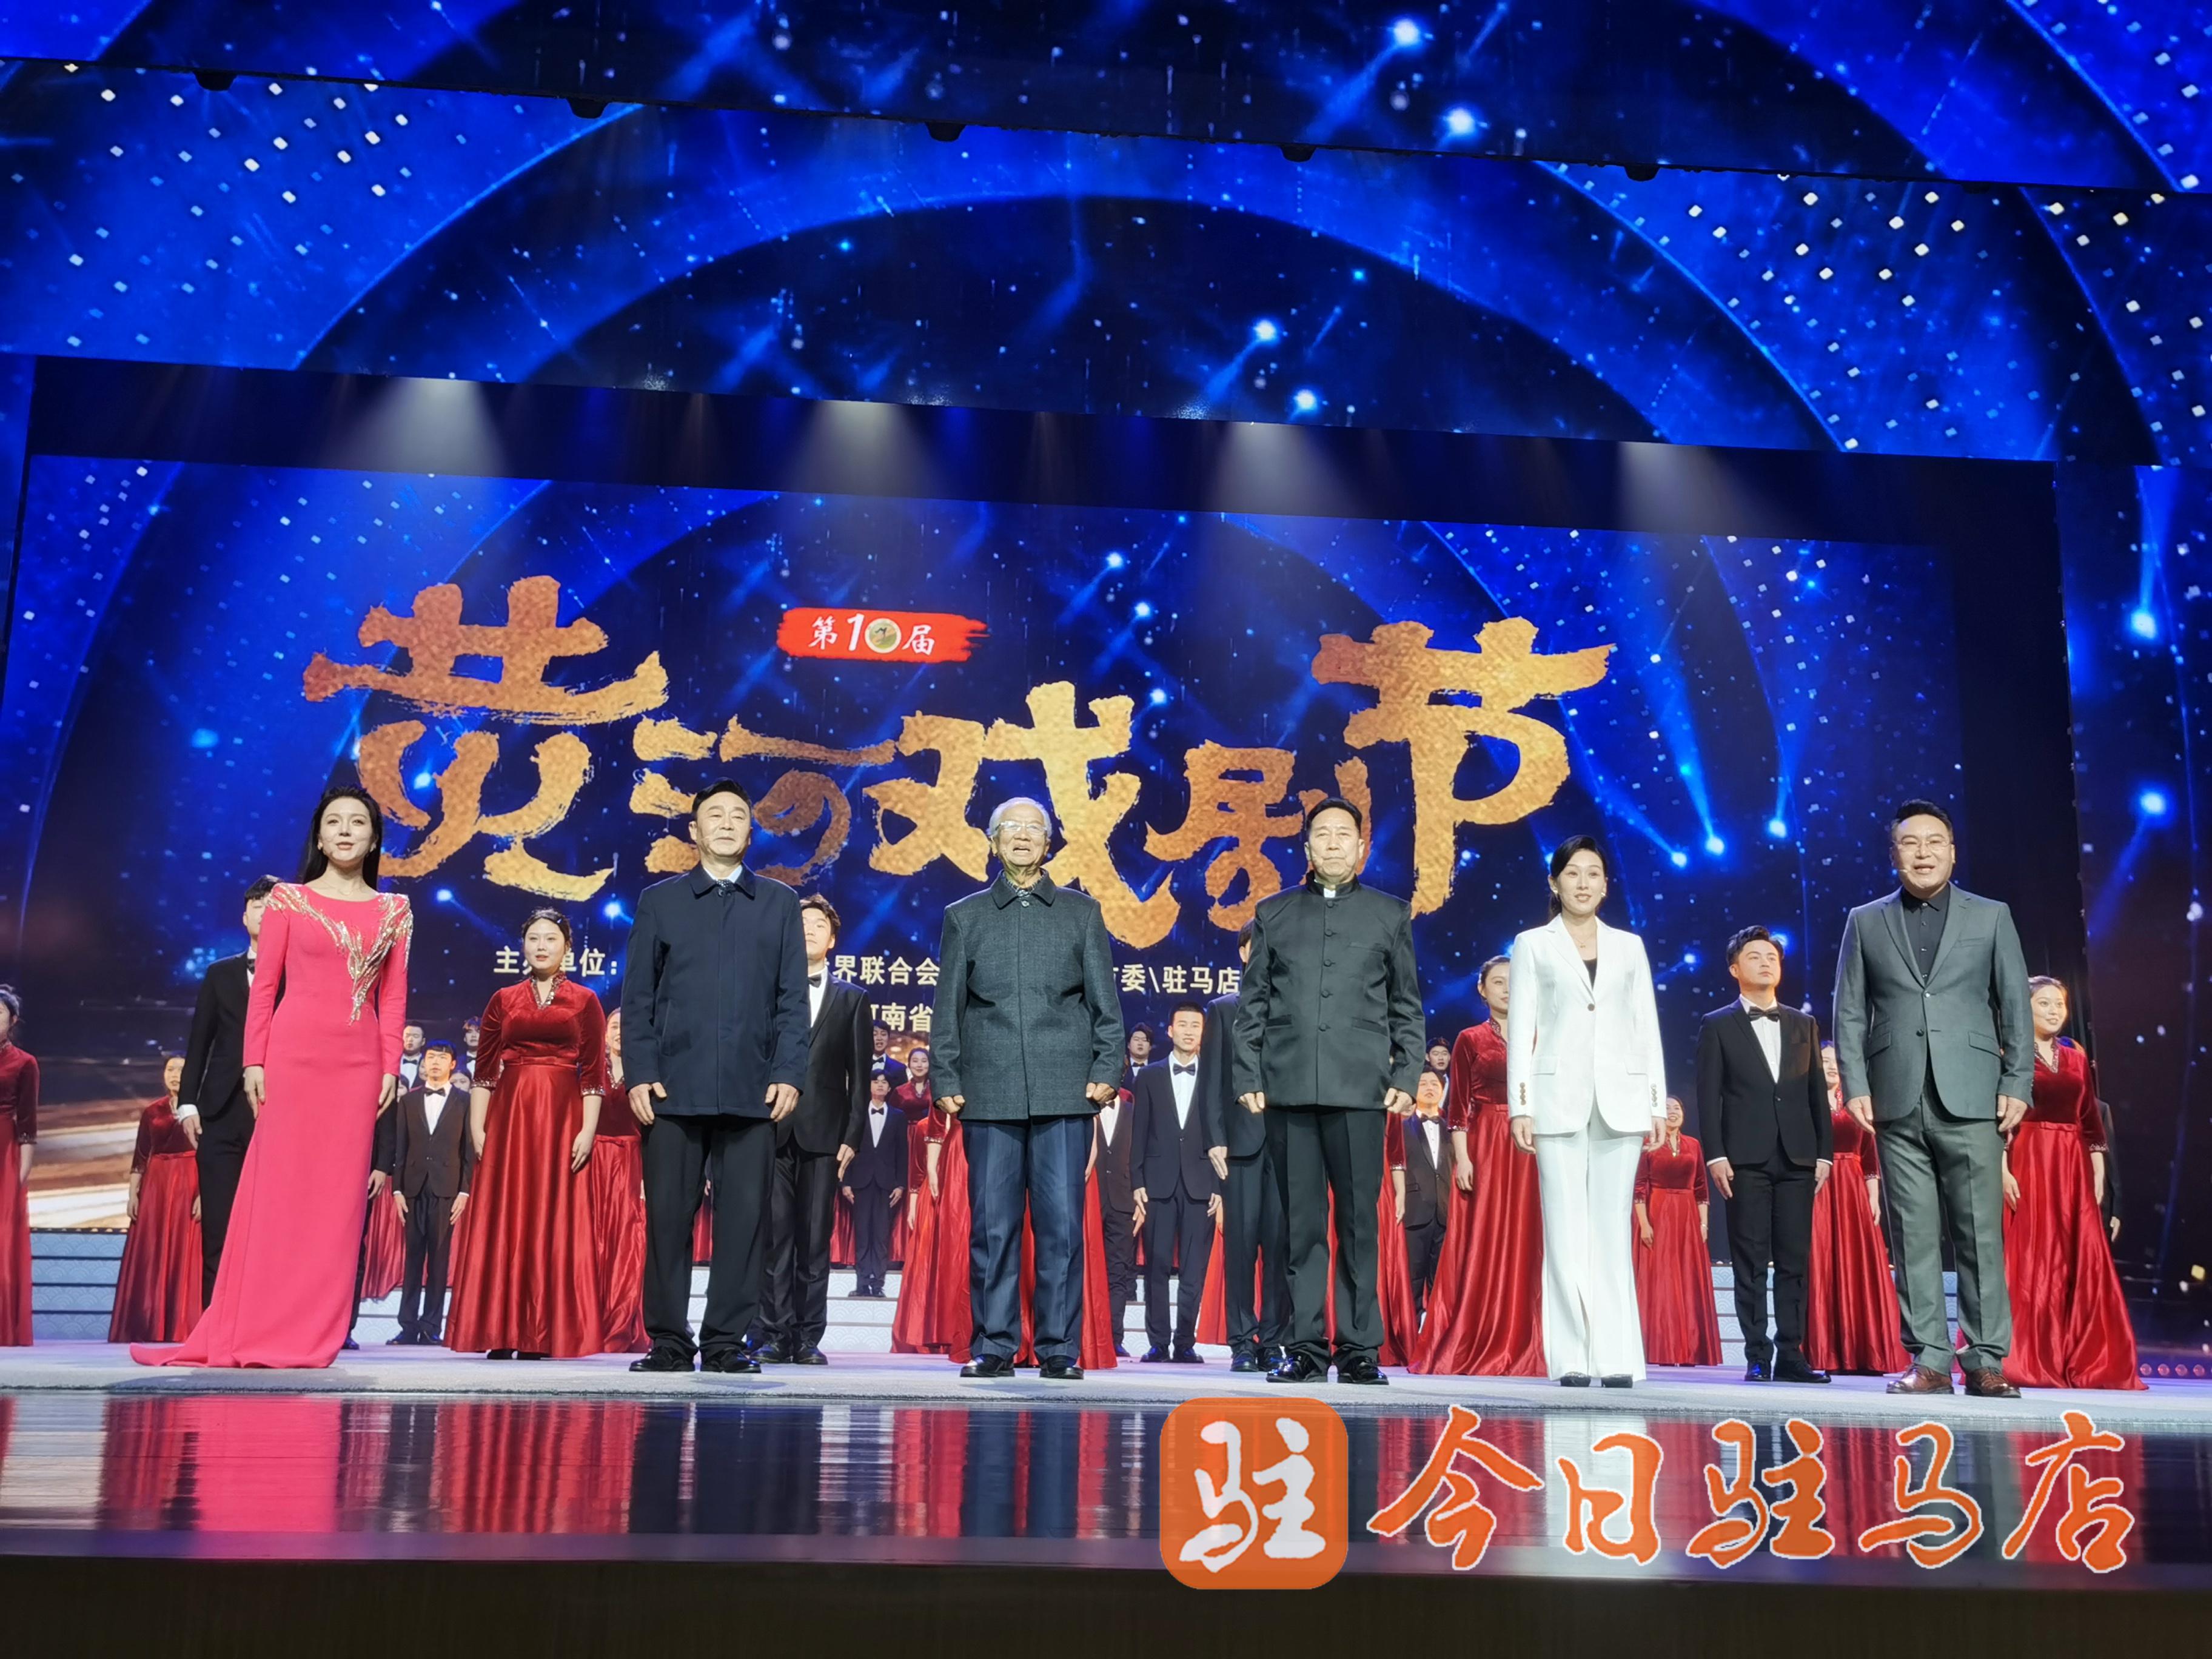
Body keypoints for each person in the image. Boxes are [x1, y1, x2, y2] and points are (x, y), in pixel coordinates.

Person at [135, 786, 411, 1369]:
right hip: (292, 1057)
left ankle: (315, 1332)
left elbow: (394, 997)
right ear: (319, 837)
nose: (344, 831)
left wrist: (391, 1065)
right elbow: (265, 988)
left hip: (359, 1064)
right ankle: (257, 1323)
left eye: (357, 823)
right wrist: (254, 1061)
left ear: (374, 838)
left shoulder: (395, 911)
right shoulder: (289, 899)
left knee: (337, 1204)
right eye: (333, 822)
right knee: (280, 1193)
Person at [1834, 799, 2032, 1398]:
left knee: (1979, 1235)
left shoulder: (1991, 916)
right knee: (1913, 1235)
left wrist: (2016, 1082)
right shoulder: (1865, 920)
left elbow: (2015, 1005)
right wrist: (1855, 1084)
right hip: (1895, 1096)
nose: (1923, 853)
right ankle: (1929, 1360)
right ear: (1893, 854)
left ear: (1952, 851)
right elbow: (1849, 1010)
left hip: (1973, 1094)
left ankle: (1987, 1359)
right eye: (1910, 843)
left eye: (1934, 842)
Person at [620, 779, 810, 1375]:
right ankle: (669, 1341)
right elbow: (638, 996)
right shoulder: (661, 901)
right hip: (673, 1089)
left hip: (755, 1091)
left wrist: (789, 1072)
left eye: (737, 816)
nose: (726, 824)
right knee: (668, 1219)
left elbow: (792, 1000)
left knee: (744, 1222)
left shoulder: (779, 903)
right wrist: (640, 1073)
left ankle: (727, 1342)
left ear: (751, 832)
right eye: (715, 815)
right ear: (694, 830)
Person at [931, 796, 1124, 1381]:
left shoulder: (1081, 913)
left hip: (1066, 1091)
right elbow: (947, 1007)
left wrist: (1107, 1068)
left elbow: (1106, 1005)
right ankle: (994, 1344)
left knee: (1062, 1226)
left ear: (1049, 843)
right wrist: (946, 1075)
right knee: (993, 1227)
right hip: (988, 1091)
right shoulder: (965, 916)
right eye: (1010, 828)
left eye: (1033, 829)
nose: (1021, 836)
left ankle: (1059, 1347)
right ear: (992, 842)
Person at [1235, 796, 1424, 1386]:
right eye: (1323, 834)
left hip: (1361, 1090)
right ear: (1308, 847)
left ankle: (1360, 1348)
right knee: (1301, 1227)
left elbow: (1406, 1006)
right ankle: (1306, 1348)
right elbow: (1253, 1005)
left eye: (1345, 834)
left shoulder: (1390, 915)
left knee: (1360, 1224)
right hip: (1289, 1087)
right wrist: (1248, 1075)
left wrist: (1406, 1075)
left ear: (1362, 847)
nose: (1334, 843)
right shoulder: (1274, 913)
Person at [1507, 835, 1667, 1388]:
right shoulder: (1533, 944)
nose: (1583, 883)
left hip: (1621, 1098)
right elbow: (1521, 1027)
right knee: (1565, 1229)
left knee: (1611, 1228)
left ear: (1605, 885)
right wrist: (1521, 1105)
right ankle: (1573, 1357)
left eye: (1593, 873)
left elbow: (1645, 1025)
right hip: (1556, 1099)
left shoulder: (1629, 946)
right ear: (1555, 883)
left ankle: (1617, 1356)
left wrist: (1655, 1102)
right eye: (1572, 873)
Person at [446, 910, 608, 1359]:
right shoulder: (504, 999)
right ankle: (500, 1330)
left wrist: (588, 1130)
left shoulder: (585, 1000)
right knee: (506, 1216)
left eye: (550, 939)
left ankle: (541, 1333)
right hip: (510, 1115)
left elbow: (594, 1075)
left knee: (551, 1216)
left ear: (567, 947)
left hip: (562, 1116)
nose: (541, 946)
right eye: (533, 938)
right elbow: (484, 1073)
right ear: (523, 946)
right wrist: (478, 1127)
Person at [1698, 925, 1832, 1384]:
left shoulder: (1803, 1024)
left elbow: (1816, 1093)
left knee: (1795, 1260)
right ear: (1735, 969)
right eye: (1754, 957)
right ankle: (1757, 1354)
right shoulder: (1717, 1024)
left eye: (1772, 956)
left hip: (1798, 1157)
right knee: (1751, 1260)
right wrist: (1715, 1155)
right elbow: (1708, 1096)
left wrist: (1825, 1154)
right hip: (1744, 1159)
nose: (1765, 963)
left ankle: (1792, 1354)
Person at [1999, 979, 2142, 1389]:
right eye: (2043, 1003)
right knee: (2032, 1257)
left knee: (2077, 1258)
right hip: (2028, 1158)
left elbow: (2091, 1123)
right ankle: (2029, 1355)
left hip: (2073, 1164)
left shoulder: (2076, 1060)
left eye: (2059, 1004)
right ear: (2024, 1008)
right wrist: (2002, 1169)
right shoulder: (2009, 1056)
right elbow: (1997, 1119)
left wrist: (2097, 1173)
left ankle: (2080, 1356)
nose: (2053, 1011)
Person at [754, 894, 870, 1364]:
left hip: (825, 1135)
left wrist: (852, 1137)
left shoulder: (852, 999)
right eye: (802, 923)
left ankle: (807, 1337)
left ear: (833, 939)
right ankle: (773, 1334)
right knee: (774, 1237)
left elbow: (859, 1077)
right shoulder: (767, 991)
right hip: (771, 1128)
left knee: (814, 1237)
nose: (809, 930)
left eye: (819, 925)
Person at [1417, 955, 1545, 1377]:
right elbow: (1458, 1108)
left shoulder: (1541, 1036)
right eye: (1499, 982)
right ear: (1482, 990)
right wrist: (1464, 1157)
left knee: (1530, 1235)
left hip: (1535, 1143)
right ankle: (1478, 1330)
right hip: (1487, 1141)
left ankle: (1529, 1337)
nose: (1507, 989)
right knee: (1483, 1235)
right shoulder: (1470, 1039)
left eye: (1514, 982)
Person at [176, 874, 280, 1302]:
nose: (265, 913)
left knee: (270, 1227)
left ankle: (265, 1319)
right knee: (218, 1225)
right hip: (218, 1111)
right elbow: (199, 1040)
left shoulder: (301, 976)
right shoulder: (220, 973)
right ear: (244, 916)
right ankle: (214, 1321)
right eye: (258, 905)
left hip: (275, 1110)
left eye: (274, 906)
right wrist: (187, 1103)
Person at [1200, 924, 1285, 1373]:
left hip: (1288, 1144)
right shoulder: (1223, 1010)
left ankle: (1273, 1340)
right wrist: (1215, 1138)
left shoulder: (1294, 1009)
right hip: (1240, 1145)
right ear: (1244, 952)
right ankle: (1241, 1341)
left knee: (1281, 1247)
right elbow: (1211, 1081)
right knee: (1241, 1246)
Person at [1806, 1042, 1909, 1375]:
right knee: (1821, 1261)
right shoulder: (1805, 1101)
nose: (1831, 1067)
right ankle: (1825, 1351)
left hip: (1853, 1186)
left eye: (1836, 1062)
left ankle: (1865, 1351)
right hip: (1818, 1186)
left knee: (1859, 1262)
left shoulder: (1856, 1102)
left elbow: (1869, 1155)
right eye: (1825, 1061)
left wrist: (1873, 1197)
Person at [1131, 1000, 1218, 1362]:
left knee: (1194, 1269)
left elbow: (1221, 1133)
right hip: (1158, 1183)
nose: (1189, 1031)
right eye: (1182, 1025)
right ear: (1169, 1031)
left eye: (1195, 1026)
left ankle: (1185, 1342)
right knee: (1157, 1265)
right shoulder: (1149, 1076)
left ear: (1204, 1033)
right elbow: (1139, 1132)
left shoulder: (1215, 1075)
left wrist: (1219, 1186)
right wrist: (1137, 1180)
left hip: (1202, 1183)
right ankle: (1157, 1342)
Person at [381, 1041, 472, 1346]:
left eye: (442, 1058)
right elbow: (401, 1147)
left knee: (439, 1259)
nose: (435, 1062)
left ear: (453, 1064)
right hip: (413, 1188)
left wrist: (464, 1191)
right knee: (413, 1259)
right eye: (430, 1057)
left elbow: (468, 1150)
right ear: (423, 1064)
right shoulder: (409, 1101)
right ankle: (408, 1326)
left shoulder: (465, 1101)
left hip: (447, 1188)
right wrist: (397, 1189)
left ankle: (431, 1326)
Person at [109, 1056, 203, 1344]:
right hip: (157, 1185)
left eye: (182, 1070)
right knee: (153, 1250)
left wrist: (206, 1194)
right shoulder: (153, 1111)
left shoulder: (202, 1109)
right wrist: (133, 1194)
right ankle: (150, 1325)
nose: (175, 1075)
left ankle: (185, 1325)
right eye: (170, 1069)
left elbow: (212, 1156)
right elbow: (141, 1157)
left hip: (190, 1182)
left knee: (188, 1251)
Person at [1632, 1098, 1723, 1367]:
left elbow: (1701, 1188)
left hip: (1687, 1217)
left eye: (1677, 1109)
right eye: (1667, 1108)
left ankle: (1689, 1350)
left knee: (1687, 1280)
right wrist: (1644, 1223)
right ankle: (1659, 1347)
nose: (1672, 1113)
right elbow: (1639, 1186)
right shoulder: (1648, 1143)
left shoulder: (1693, 1145)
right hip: (1658, 1212)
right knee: (1660, 1280)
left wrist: (1703, 1224)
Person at [592, 1010, 649, 1353]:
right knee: (593, 1241)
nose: (619, 1032)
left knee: (628, 1245)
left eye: (625, 1027)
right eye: (614, 1026)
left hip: (631, 1163)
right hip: (594, 1162)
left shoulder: (645, 1072)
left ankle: (620, 1323)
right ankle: (588, 1323)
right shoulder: (590, 1070)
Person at [1388, 1068, 1452, 1326]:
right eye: (1423, 1083)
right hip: (1415, 1210)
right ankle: (1412, 1328)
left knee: (1442, 1278)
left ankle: (1437, 1330)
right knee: (1413, 1277)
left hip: (1446, 1211)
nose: (1429, 1087)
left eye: (1434, 1083)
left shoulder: (1452, 1130)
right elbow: (1395, 1163)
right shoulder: (1402, 1127)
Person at [843, 1074, 908, 1298]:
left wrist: (901, 1184)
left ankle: (878, 1284)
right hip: (860, 1181)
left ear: (890, 1088)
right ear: (869, 1086)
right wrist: (846, 1182)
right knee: (862, 1233)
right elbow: (849, 1147)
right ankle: (862, 1283)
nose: (880, 1085)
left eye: (884, 1082)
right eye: (876, 1081)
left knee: (881, 1235)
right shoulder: (857, 1113)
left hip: (887, 1183)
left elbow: (903, 1152)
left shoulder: (898, 1116)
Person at [1091, 1074, 1139, 1356]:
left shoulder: (1134, 1112)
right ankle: (1085, 1335)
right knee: (1085, 1269)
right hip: (1090, 1198)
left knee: (1118, 1271)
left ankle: (1114, 1338)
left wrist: (1141, 1198)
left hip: (1124, 1201)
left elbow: (1143, 1155)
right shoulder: (1085, 1109)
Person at [0, 987, 33, 1346]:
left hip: (5, 1146)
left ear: (13, 1020)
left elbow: (28, 1125)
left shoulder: (24, 1063)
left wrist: (20, 1176)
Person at [870, 1023, 907, 1093]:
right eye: (875, 1034)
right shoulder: (859, 1066)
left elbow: (902, 1097)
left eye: (883, 1034)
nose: (879, 1038)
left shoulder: (900, 1069)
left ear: (888, 1038)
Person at [1123, 1024, 1156, 1093]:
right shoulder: (1120, 1068)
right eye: (1136, 1039)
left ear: (1150, 1047)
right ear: (1129, 1045)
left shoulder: (1157, 1069)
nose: (1140, 1043)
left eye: (1145, 1040)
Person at [397, 1024, 427, 1090]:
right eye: (407, 1036)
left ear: (423, 1041)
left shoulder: (427, 1064)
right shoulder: (392, 1061)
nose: (410, 1039)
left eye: (415, 1036)